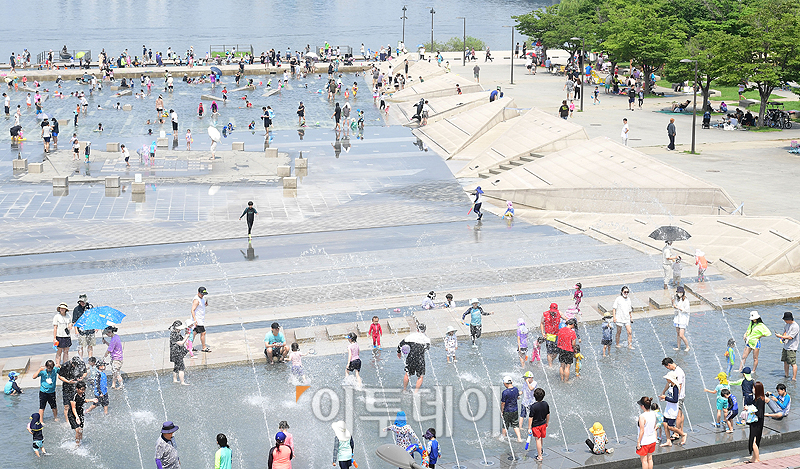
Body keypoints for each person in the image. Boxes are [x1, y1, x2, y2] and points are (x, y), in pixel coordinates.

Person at [397, 323, 431, 392]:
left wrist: (399, 352)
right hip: (420, 359)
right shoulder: (427, 339)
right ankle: (416, 392)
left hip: (411, 357)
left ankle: (404, 390)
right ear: (424, 330)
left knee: (407, 374)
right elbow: (427, 348)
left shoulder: (411, 336)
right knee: (420, 376)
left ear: (417, 329)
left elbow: (400, 344)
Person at [659, 371, 687, 446]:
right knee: (665, 424)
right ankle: (668, 441)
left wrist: (665, 398)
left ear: (671, 379)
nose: (666, 379)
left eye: (667, 378)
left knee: (670, 427)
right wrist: (664, 398)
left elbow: (675, 400)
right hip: (668, 408)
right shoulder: (671, 385)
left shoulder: (675, 388)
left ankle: (683, 434)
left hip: (673, 409)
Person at [661, 358, 686, 433]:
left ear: (669, 365)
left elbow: (680, 386)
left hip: (679, 396)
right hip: (677, 395)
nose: (668, 369)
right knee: (680, 413)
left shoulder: (679, 372)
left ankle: (677, 433)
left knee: (678, 415)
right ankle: (680, 430)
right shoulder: (674, 371)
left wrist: (676, 397)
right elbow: (669, 383)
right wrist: (663, 392)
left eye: (667, 367)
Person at [69, 381, 96, 447]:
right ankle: (77, 445)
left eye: (84, 389)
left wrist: (92, 400)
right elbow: (73, 408)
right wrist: (77, 417)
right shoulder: (74, 396)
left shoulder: (82, 394)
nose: (83, 391)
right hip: (73, 415)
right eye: (81, 389)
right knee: (78, 430)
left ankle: (80, 442)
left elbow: (83, 400)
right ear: (77, 389)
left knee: (81, 430)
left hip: (80, 413)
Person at [776, 311, 799, 380]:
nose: (785, 321)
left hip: (792, 347)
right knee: (785, 361)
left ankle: (794, 378)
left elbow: (790, 337)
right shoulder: (787, 325)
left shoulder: (795, 326)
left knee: (793, 363)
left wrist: (781, 336)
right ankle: (786, 375)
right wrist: (782, 337)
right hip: (786, 346)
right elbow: (785, 333)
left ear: (789, 319)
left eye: (785, 320)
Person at [636, 397, 657, 469]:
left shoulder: (642, 416)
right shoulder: (653, 413)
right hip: (652, 440)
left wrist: (638, 442)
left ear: (642, 406)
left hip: (644, 441)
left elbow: (642, 430)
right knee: (650, 458)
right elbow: (654, 426)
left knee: (644, 461)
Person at [748, 382, 767, 463]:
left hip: (757, 423)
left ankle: (757, 459)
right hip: (754, 422)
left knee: (754, 441)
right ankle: (753, 458)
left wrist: (750, 410)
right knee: (753, 440)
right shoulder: (756, 398)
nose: (753, 389)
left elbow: (760, 413)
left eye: (754, 388)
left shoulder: (760, 400)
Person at [72, 294, 95, 359]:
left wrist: (95, 327)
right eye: (81, 301)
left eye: (83, 301)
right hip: (81, 330)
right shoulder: (76, 309)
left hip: (90, 330)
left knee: (90, 345)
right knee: (81, 346)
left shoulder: (90, 307)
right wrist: (76, 331)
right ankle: (81, 359)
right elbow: (74, 321)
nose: (82, 303)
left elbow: (93, 318)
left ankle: (90, 358)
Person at [500, 376, 523, 442]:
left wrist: (502, 412)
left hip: (507, 410)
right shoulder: (516, 389)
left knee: (505, 424)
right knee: (515, 424)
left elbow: (503, 403)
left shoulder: (505, 392)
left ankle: (503, 437)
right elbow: (517, 397)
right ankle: (519, 438)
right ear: (511, 382)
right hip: (515, 410)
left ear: (505, 383)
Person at [530, 388, 549, 462]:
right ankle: (540, 450)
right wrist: (547, 422)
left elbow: (530, 418)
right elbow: (548, 414)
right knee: (541, 438)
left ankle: (540, 456)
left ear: (534, 396)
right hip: (543, 424)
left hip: (536, 425)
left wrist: (529, 428)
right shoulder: (545, 404)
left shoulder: (533, 406)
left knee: (537, 439)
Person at [169, 320, 190, 385]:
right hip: (177, 353)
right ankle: (182, 382)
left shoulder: (174, 333)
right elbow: (181, 343)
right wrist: (186, 337)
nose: (180, 330)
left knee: (176, 366)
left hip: (174, 352)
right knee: (181, 367)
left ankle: (175, 380)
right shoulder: (174, 334)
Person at [191, 286, 210, 353]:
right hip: (198, 319)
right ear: (198, 292)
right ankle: (204, 347)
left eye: (203, 294)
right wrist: (195, 320)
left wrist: (205, 304)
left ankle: (189, 346)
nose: (202, 295)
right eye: (201, 294)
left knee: (194, 332)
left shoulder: (201, 298)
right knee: (203, 332)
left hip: (201, 319)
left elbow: (201, 305)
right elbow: (192, 310)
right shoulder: (196, 300)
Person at [672, 286, 690, 351]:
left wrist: (679, 308)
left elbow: (687, 310)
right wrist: (673, 304)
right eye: (679, 292)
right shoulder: (677, 299)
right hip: (677, 318)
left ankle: (687, 346)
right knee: (678, 334)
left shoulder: (686, 300)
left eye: (681, 292)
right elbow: (675, 307)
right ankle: (678, 347)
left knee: (681, 335)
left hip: (683, 319)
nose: (680, 293)